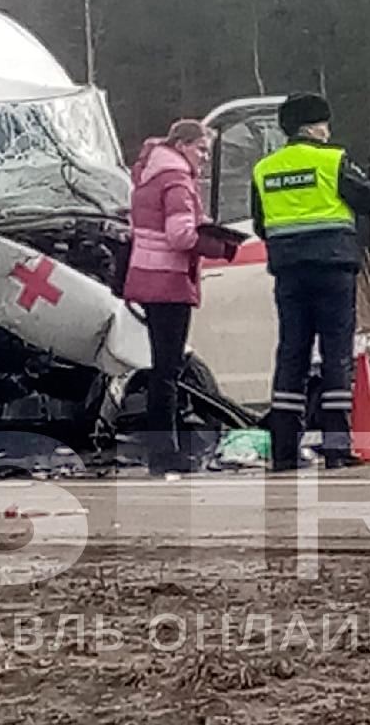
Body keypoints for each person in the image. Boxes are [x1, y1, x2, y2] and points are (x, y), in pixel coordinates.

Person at [251, 93, 370, 472]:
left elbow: (260, 224)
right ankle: (336, 447)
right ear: (313, 126)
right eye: (325, 123)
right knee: (335, 355)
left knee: (292, 354)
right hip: (333, 268)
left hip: (289, 272)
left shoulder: (264, 169)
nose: (328, 130)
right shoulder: (332, 159)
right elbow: (368, 198)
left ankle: (285, 451)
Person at [124, 120, 237, 475]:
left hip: (146, 277)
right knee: (168, 369)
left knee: (162, 364)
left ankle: (162, 447)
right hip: (170, 282)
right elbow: (180, 235)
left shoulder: (148, 175)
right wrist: (220, 244)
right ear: (183, 144)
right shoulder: (176, 180)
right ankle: (165, 451)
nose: (204, 158)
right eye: (201, 149)